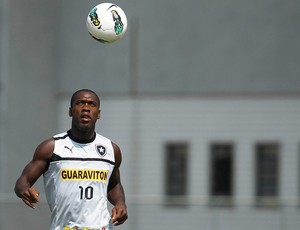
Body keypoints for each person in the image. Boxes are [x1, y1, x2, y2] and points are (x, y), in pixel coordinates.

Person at [15, 89, 128, 230]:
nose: (86, 108)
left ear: (98, 114)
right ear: (70, 111)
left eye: (91, 104)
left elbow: (114, 184)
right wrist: (24, 190)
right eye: (80, 103)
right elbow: (23, 181)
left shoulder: (111, 149)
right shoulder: (52, 147)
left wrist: (120, 203)